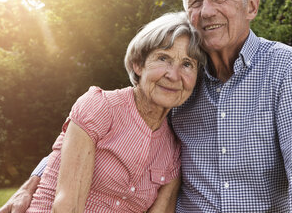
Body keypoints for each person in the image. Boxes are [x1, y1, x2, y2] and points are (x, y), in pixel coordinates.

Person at [0, 0, 292, 212]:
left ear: (250, 5)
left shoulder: (283, 67)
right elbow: (97, 121)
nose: (207, 11)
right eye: (195, 1)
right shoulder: (179, 80)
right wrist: (34, 181)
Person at [12, 12, 205, 213]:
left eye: (187, 64)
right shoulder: (100, 107)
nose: (174, 75)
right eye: (163, 58)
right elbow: (68, 207)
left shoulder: (172, 152)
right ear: (138, 64)